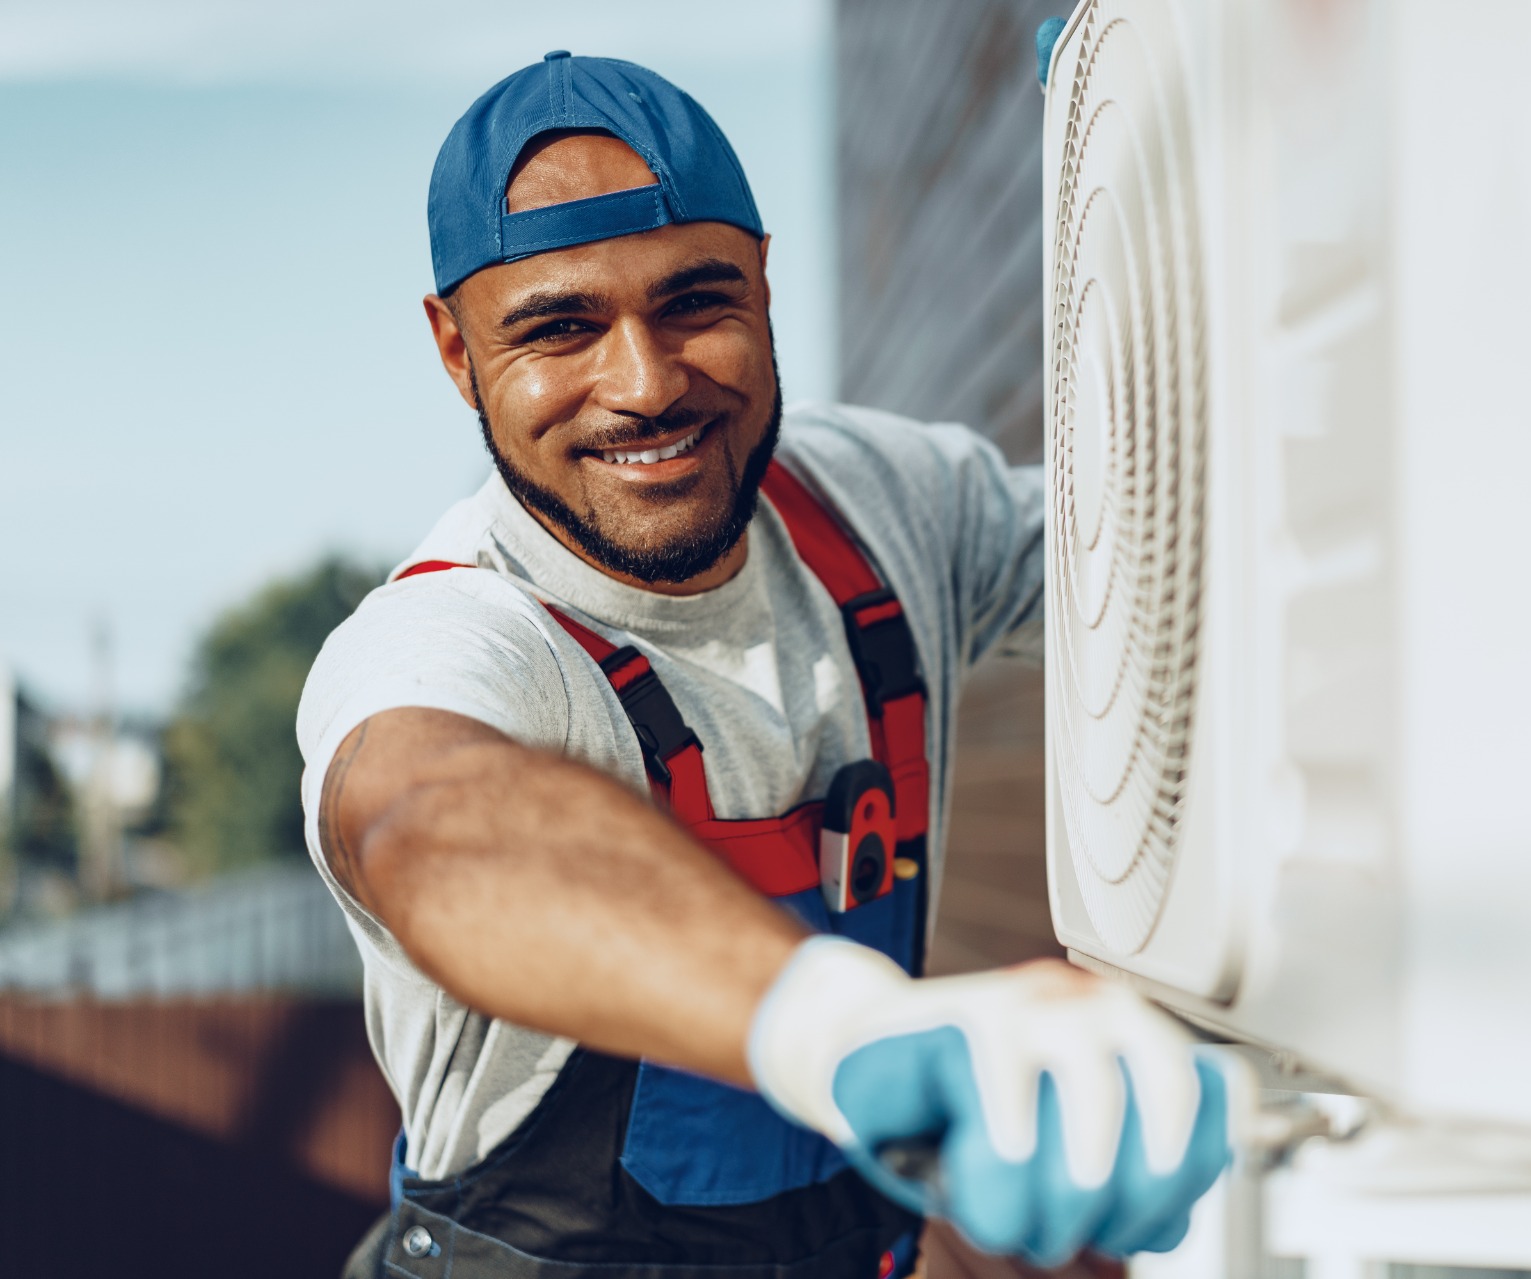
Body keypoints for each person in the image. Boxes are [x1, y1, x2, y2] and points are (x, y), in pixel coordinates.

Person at [300, 51, 1230, 1279]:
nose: (645, 385)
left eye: (696, 302)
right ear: (456, 351)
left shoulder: (885, 508)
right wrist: (839, 1030)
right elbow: (427, 820)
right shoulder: (457, 635)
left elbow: (1186, 556)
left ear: (765, 284)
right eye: (560, 329)